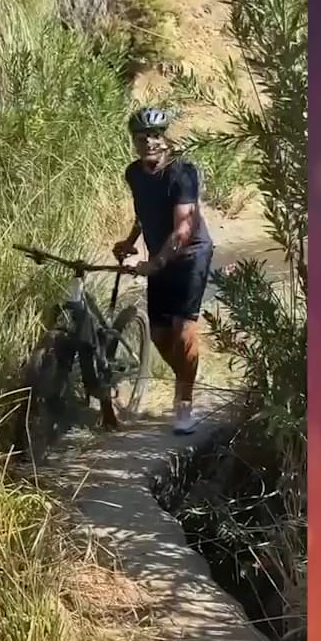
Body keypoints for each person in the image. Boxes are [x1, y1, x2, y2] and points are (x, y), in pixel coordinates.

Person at [113, 107, 213, 435]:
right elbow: (144, 213)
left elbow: (183, 229)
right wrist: (129, 241)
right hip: (159, 256)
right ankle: (186, 377)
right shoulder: (134, 174)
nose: (150, 142)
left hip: (190, 256)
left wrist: (154, 263)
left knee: (183, 332)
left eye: (156, 135)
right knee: (158, 336)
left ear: (166, 137)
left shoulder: (183, 172)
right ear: (134, 141)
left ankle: (184, 403)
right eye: (142, 137)